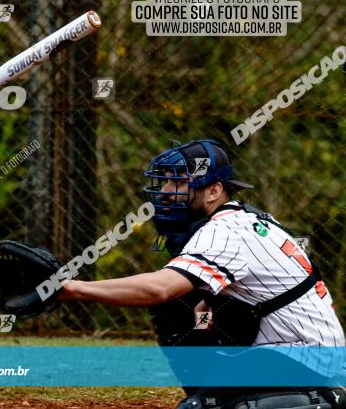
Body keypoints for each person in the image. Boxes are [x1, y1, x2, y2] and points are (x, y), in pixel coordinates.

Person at [53, 139, 345, 409]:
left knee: (199, 404)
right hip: (306, 354)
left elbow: (159, 288)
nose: (166, 191)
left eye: (178, 181)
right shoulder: (247, 218)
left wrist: (74, 288)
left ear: (214, 190)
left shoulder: (225, 230)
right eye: (166, 181)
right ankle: (218, 393)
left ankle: (298, 399)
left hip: (307, 366)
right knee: (181, 305)